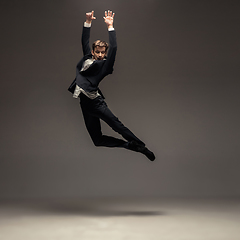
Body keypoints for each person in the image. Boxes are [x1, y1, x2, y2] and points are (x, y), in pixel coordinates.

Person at [68, 10, 155, 161]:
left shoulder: (104, 66)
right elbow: (84, 41)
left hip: (96, 104)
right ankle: (128, 145)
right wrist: (88, 22)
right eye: (98, 52)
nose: (101, 55)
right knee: (97, 140)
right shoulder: (87, 58)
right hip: (86, 106)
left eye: (103, 53)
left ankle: (140, 146)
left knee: (117, 125)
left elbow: (113, 48)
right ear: (94, 52)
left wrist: (110, 26)